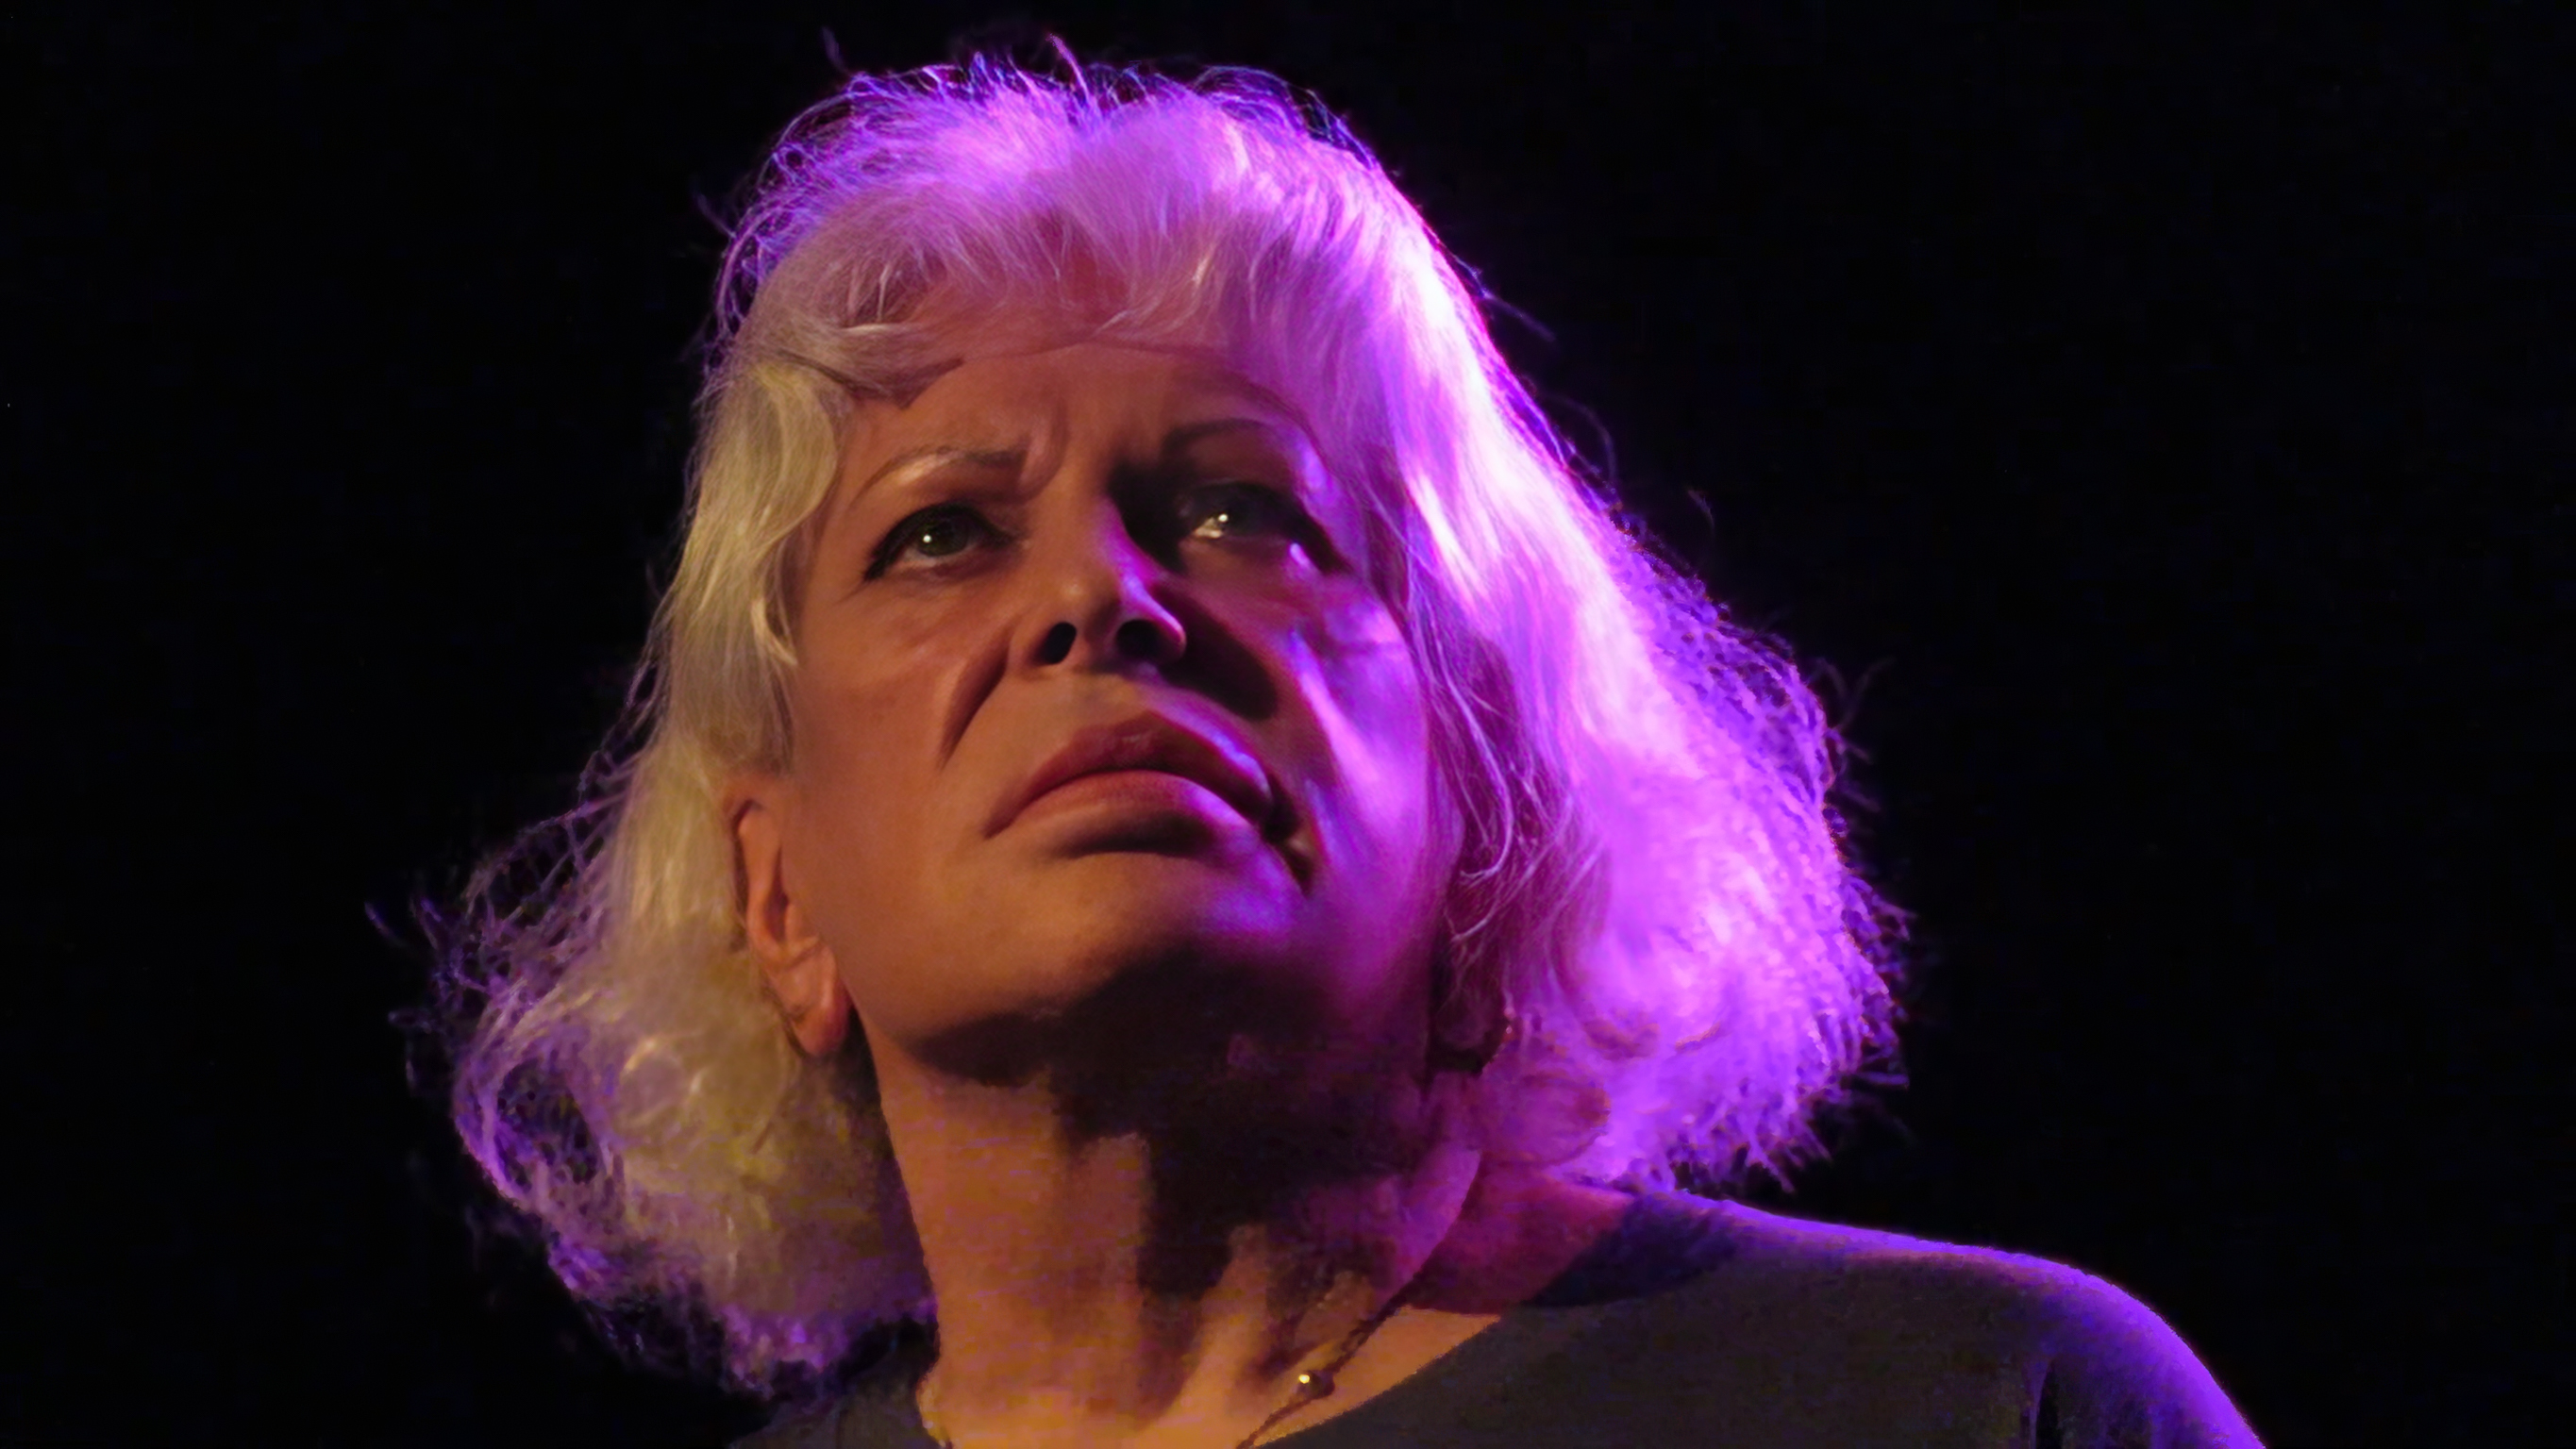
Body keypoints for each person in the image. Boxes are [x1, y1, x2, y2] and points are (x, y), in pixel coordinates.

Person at [437, 53, 2263, 1448]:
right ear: (778, 896)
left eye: (1242, 511)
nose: (1105, 599)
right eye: (943, 532)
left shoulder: (1971, 1404)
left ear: (1494, 793)